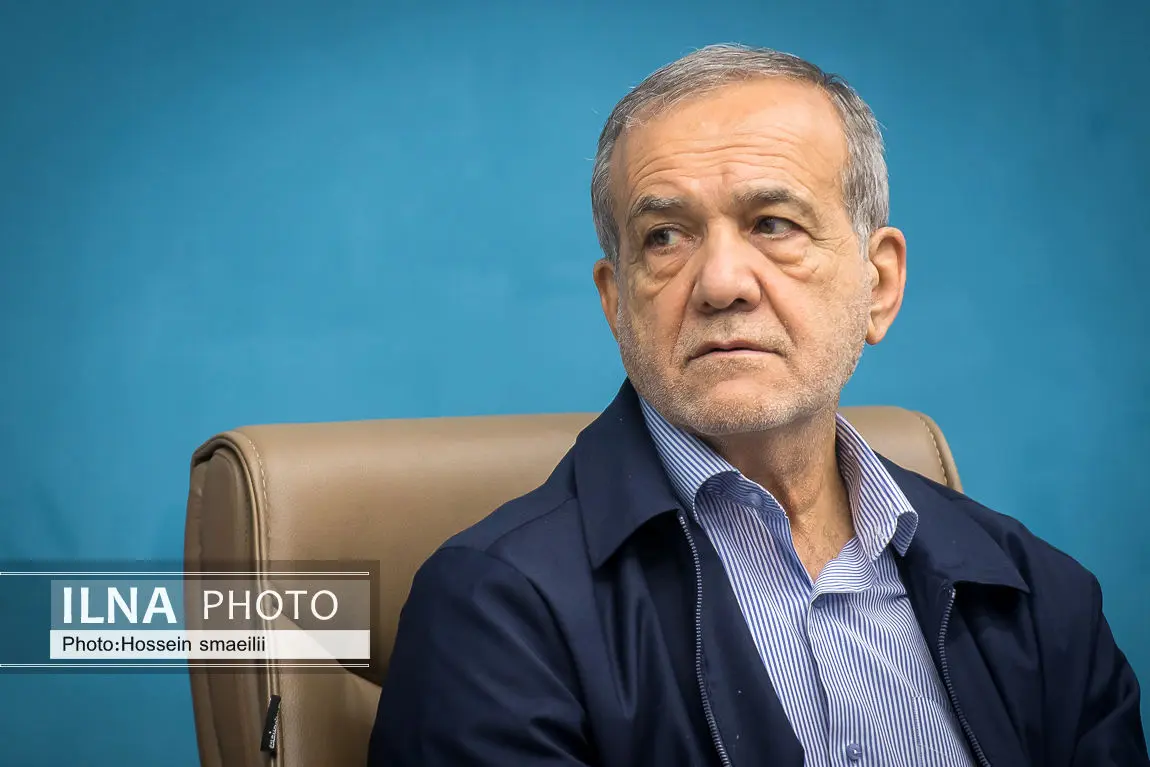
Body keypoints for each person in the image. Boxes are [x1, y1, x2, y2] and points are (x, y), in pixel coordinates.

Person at [367, 43, 1148, 766]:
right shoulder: (493, 612)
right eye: (666, 237)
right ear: (616, 303)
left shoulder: (1046, 602)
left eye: (773, 224)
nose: (720, 283)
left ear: (879, 285)